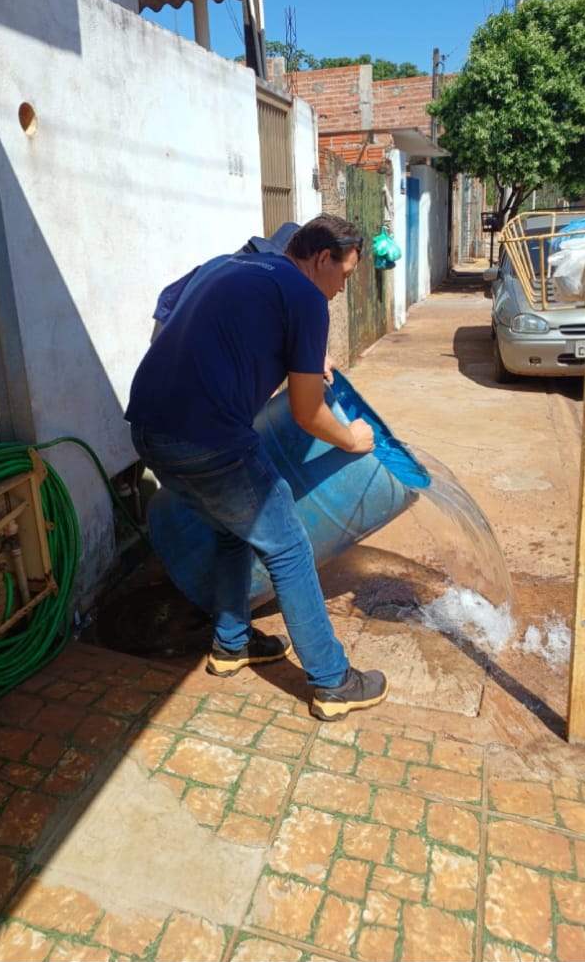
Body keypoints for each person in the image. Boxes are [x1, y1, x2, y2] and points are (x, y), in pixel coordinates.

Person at [126, 214, 388, 721]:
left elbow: (174, 316)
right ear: (321, 258)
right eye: (345, 277)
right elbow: (308, 413)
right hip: (207, 441)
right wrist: (352, 437)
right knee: (288, 545)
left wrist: (306, 358)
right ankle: (333, 682)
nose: (340, 292)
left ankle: (231, 644)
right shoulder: (308, 297)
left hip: (147, 432)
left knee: (231, 529)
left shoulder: (231, 264)